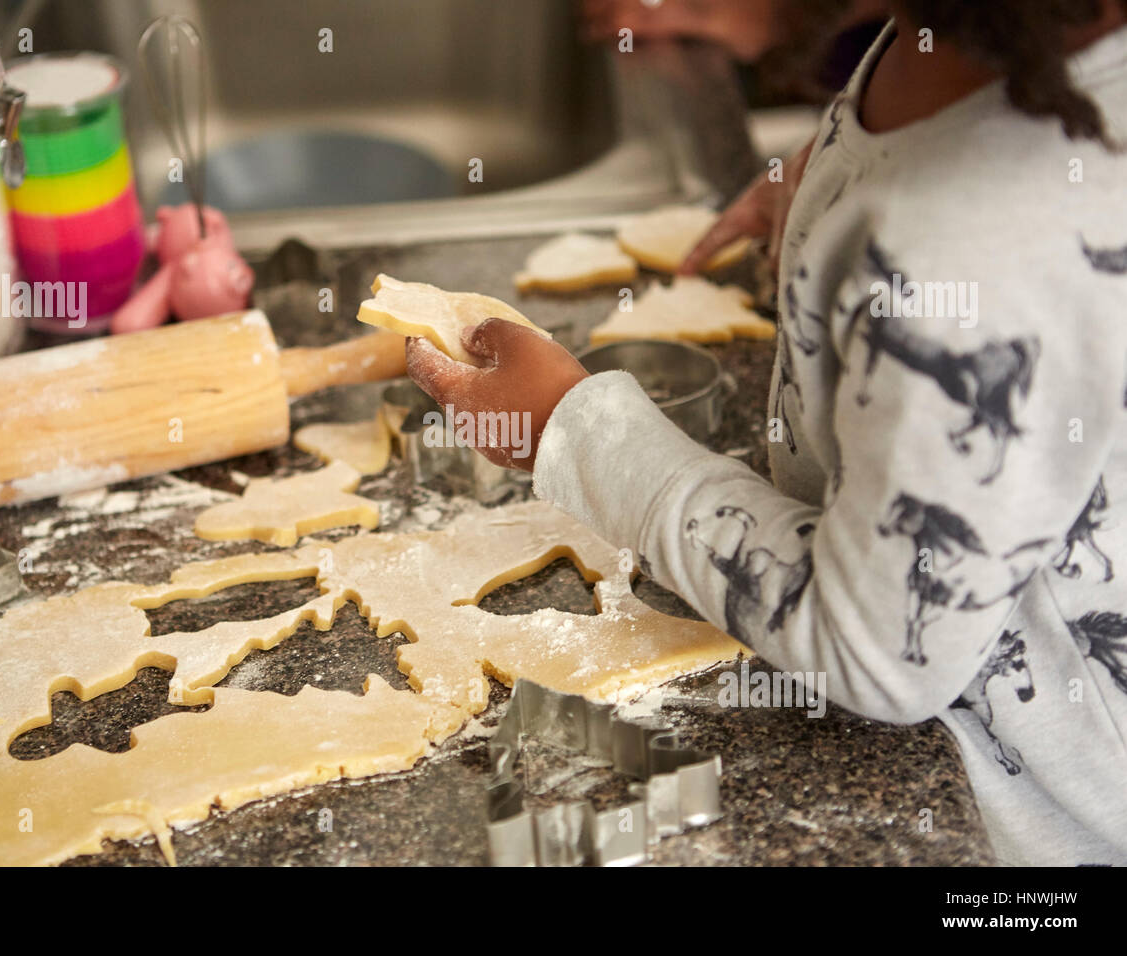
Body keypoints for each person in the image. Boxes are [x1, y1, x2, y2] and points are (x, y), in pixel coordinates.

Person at [408, 0, 1127, 866]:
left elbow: (876, 651)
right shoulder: (969, 44)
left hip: (1026, 827)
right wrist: (838, 183)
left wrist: (574, 428)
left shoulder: (969, 241)